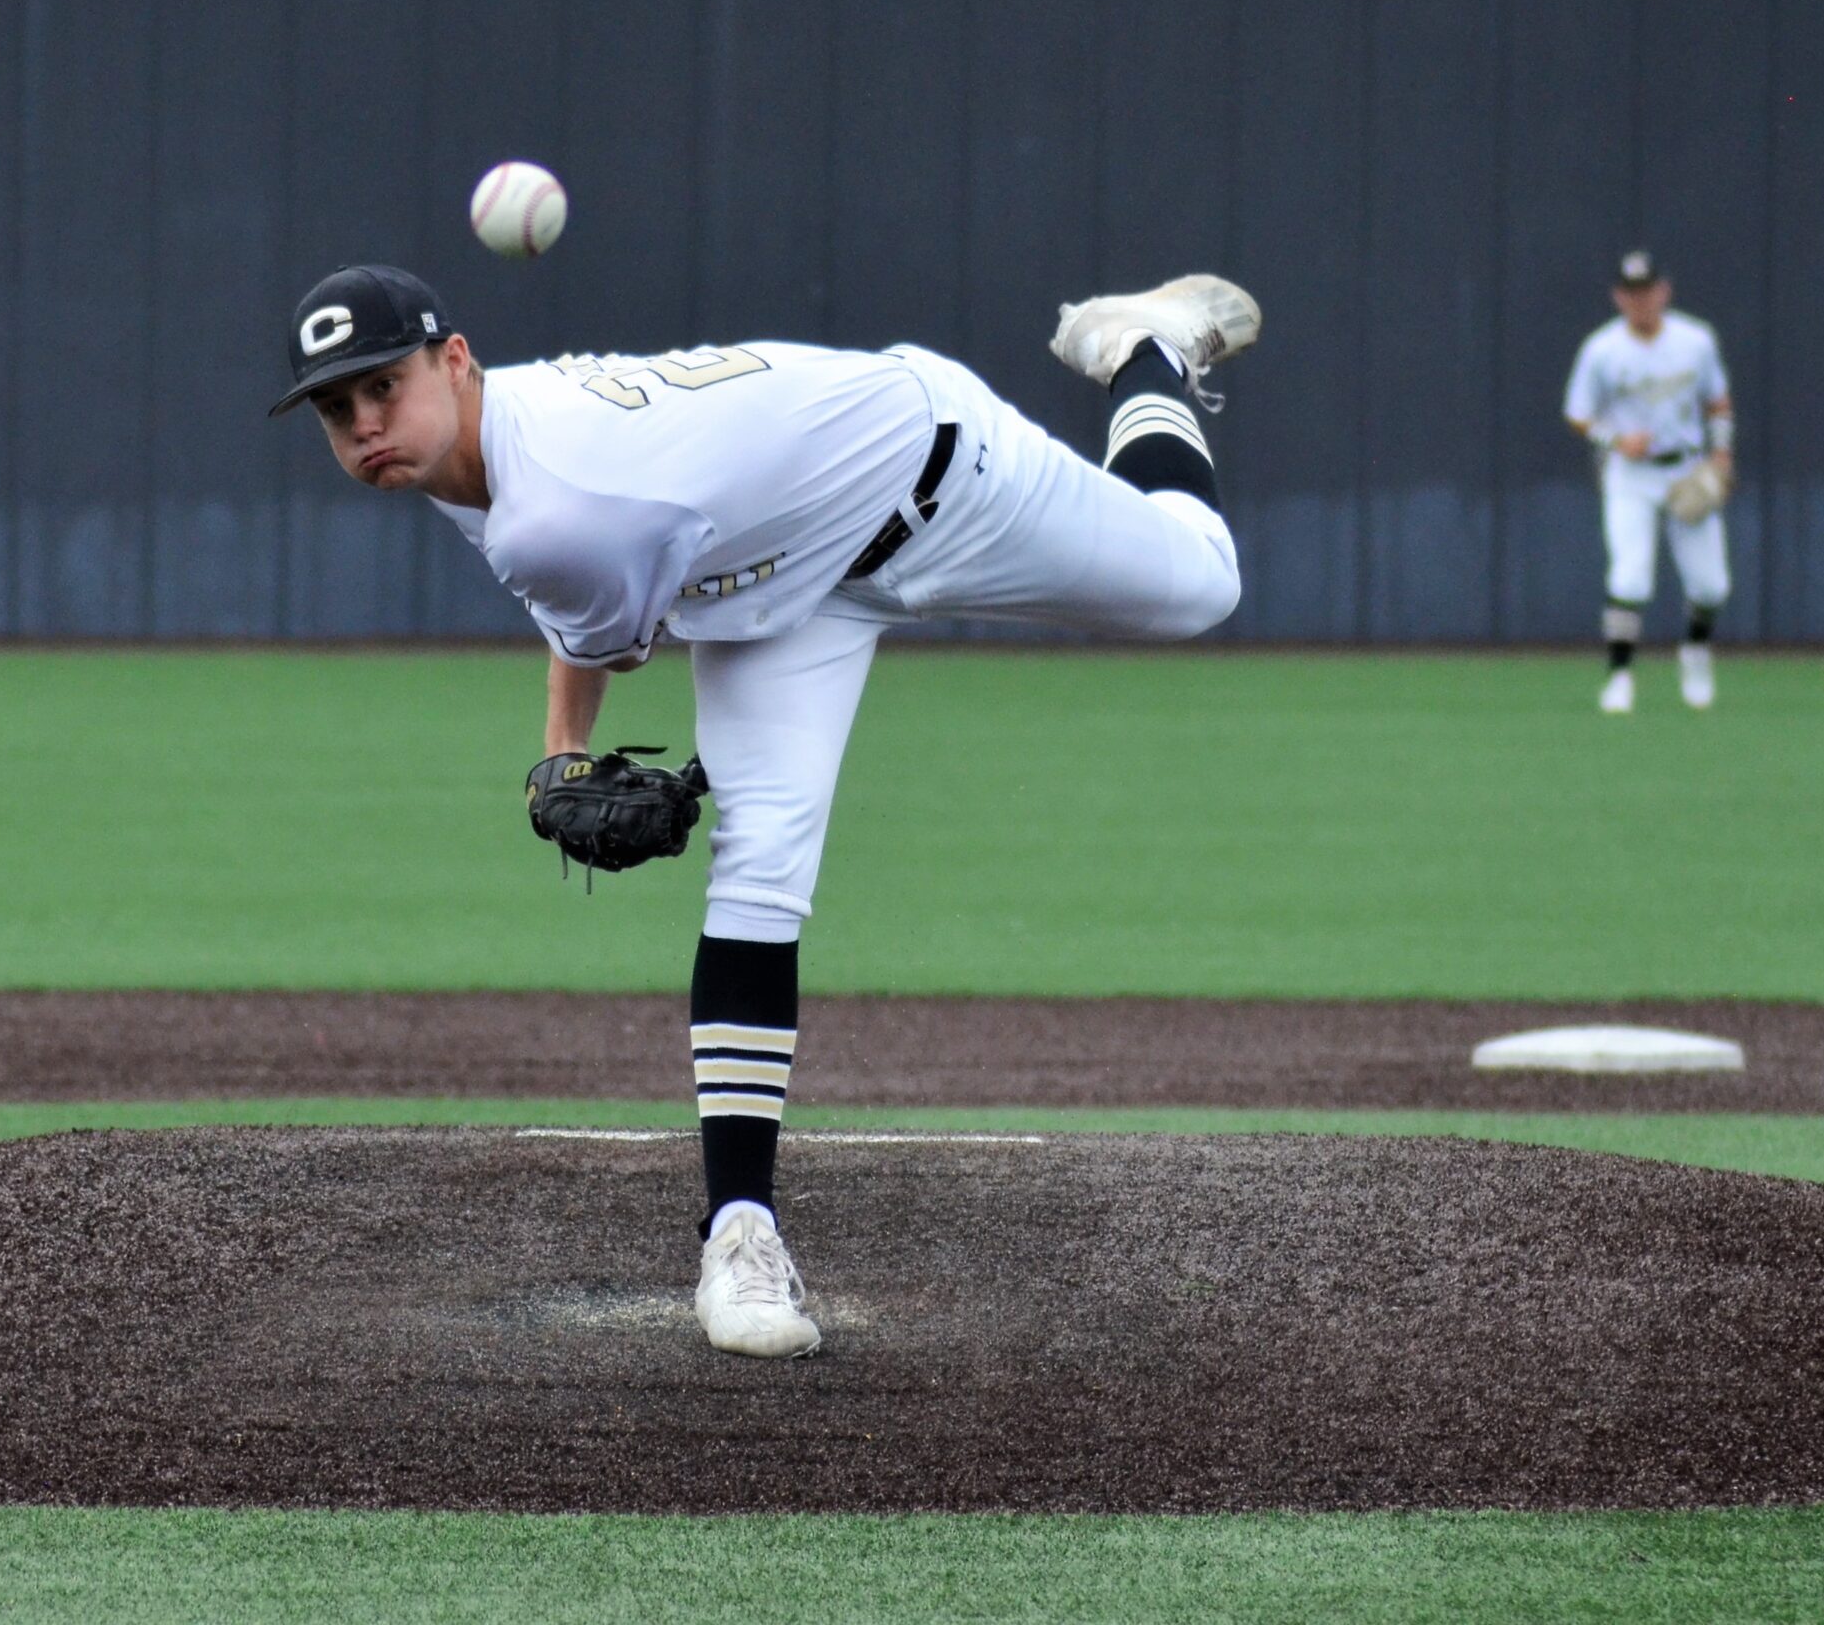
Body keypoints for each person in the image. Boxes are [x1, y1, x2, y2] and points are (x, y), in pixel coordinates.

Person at [270, 265, 1259, 1356]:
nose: (365, 424)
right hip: (775, 587)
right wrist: (561, 756)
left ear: (454, 361)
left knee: (1199, 581)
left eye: (383, 386)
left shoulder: (554, 507)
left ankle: (1145, 350)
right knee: (758, 865)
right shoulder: (481, 448)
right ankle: (739, 1233)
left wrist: (559, 763)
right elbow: (590, 603)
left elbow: (600, 609)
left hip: (935, 476)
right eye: (334, 406)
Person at [1563, 249, 1735, 713]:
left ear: (1664, 291)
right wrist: (1615, 439)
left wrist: (1722, 455)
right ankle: (1620, 676)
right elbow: (1577, 413)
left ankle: (1696, 651)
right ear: (1619, 297)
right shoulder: (1602, 349)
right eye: (1631, 293)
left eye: (1648, 291)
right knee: (1631, 578)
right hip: (1631, 475)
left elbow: (1717, 401)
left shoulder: (1695, 340)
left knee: (1711, 587)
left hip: (1686, 470)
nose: (1641, 301)